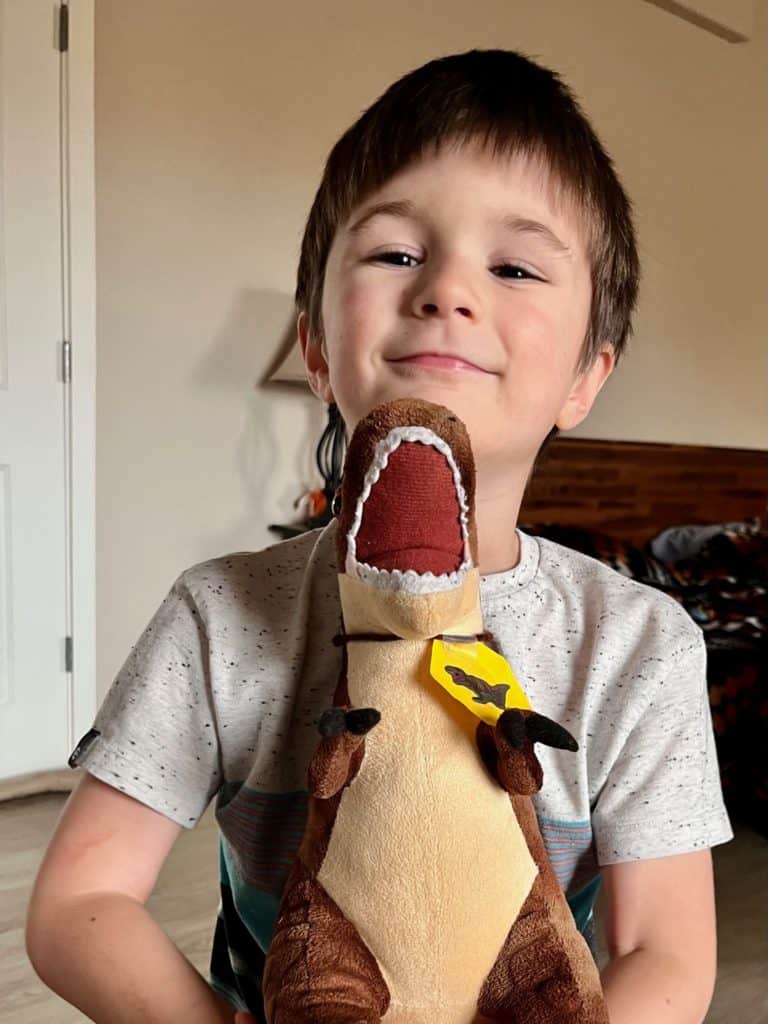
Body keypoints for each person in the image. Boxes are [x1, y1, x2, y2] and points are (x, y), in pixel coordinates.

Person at [26, 48, 732, 1024]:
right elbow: (78, 904)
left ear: (585, 377)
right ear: (316, 344)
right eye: (397, 253)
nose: (447, 289)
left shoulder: (641, 644)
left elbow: (667, 954)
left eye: (515, 265)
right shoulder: (222, 613)